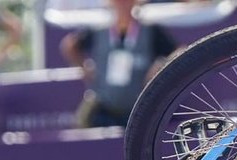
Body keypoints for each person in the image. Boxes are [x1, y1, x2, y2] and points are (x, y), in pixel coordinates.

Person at [63, 0, 176, 129]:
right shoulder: (99, 31)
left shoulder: (150, 31)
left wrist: (160, 67)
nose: (122, 4)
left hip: (138, 109)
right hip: (104, 108)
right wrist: (86, 68)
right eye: (118, 1)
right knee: (84, 121)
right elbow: (70, 45)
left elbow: (178, 51)